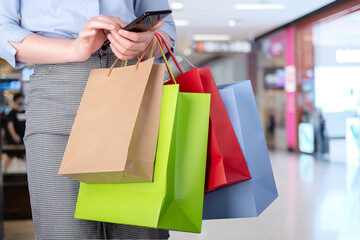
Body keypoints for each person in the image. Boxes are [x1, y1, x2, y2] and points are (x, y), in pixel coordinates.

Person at [0, 1, 176, 239]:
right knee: (64, 229)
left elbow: (167, 27)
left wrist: (149, 42)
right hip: (59, 92)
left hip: (133, 86)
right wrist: (74, 49)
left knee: (139, 230)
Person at [3, 93, 26, 173]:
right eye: (20, 99)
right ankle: (4, 173)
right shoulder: (12, 112)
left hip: (24, 139)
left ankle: (30, 175)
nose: (21, 101)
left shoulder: (25, 112)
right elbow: (10, 125)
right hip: (15, 139)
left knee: (26, 156)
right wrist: (14, 135)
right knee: (10, 156)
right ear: (16, 101)